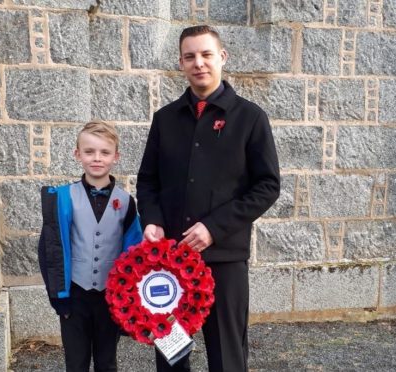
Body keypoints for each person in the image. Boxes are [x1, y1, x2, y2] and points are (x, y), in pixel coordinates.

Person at [136, 25, 281, 372]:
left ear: (222, 58)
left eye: (206, 54)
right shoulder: (165, 119)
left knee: (227, 355)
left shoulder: (250, 118)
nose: (198, 63)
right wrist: (153, 221)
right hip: (170, 261)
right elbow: (148, 180)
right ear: (181, 63)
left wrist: (214, 228)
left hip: (225, 259)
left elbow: (267, 186)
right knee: (172, 354)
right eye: (190, 56)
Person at [38, 121, 143, 372]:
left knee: (107, 362)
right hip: (74, 296)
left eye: (105, 152)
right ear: (77, 154)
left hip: (110, 297)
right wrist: (58, 298)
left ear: (116, 157)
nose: (97, 158)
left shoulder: (126, 202)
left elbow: (134, 253)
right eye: (89, 151)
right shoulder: (62, 197)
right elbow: (50, 250)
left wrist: (129, 301)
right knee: (76, 362)